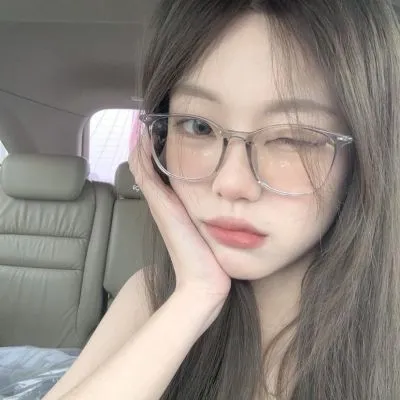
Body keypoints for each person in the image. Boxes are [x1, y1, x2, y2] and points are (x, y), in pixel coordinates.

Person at [44, 0, 400, 399]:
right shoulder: (152, 297)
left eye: (292, 137)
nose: (231, 183)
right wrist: (195, 297)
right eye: (198, 126)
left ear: (366, 155)